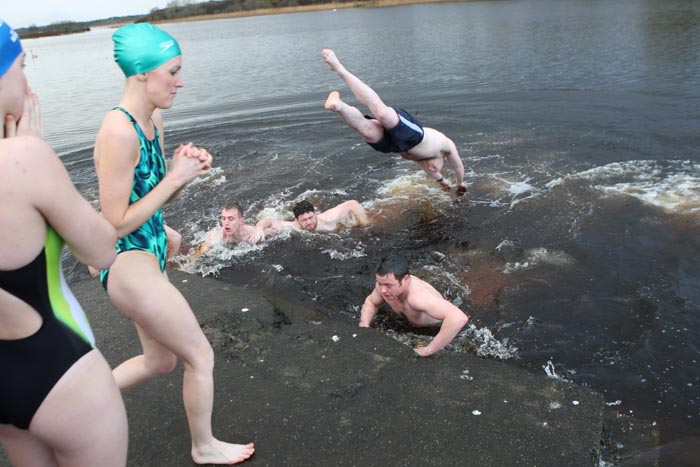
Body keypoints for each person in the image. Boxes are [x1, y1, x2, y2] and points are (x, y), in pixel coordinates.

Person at [93, 23, 254, 465]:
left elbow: (152, 196)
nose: (181, 82)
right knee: (200, 355)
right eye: (173, 71)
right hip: (129, 259)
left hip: (152, 249)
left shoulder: (153, 120)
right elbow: (114, 223)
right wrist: (174, 177)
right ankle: (203, 447)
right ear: (143, 72)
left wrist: (185, 174)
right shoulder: (118, 130)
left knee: (159, 361)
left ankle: (70, 402)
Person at [0, 20, 128, 466]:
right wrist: (33, 153)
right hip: (60, 369)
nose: (26, 79)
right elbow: (102, 249)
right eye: (20, 64)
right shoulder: (23, 158)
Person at [322, 48, 467, 193]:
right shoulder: (447, 146)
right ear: (443, 159)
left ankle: (338, 106)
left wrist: (441, 180)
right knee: (381, 112)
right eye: (435, 167)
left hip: (396, 146)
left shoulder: (425, 162)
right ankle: (339, 68)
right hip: (416, 136)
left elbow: (432, 171)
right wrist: (460, 183)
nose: (432, 168)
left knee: (367, 131)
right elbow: (459, 166)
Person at [359, 253, 469, 357]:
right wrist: (364, 325)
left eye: (388, 285)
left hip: (434, 329)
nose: (382, 290)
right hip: (409, 323)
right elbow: (371, 303)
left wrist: (429, 349)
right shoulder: (383, 287)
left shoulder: (419, 297)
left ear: (406, 279)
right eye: (379, 283)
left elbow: (458, 318)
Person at [196, 201, 267, 255]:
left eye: (230, 219)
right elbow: (200, 253)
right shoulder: (216, 235)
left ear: (241, 221)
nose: (226, 223)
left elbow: (273, 223)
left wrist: (260, 227)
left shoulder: (253, 233)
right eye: (223, 219)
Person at [260, 199, 370, 233]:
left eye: (310, 218)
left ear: (315, 214)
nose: (308, 222)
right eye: (303, 220)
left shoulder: (329, 218)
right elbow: (268, 221)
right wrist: (258, 229)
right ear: (297, 220)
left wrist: (365, 224)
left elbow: (352, 203)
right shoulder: (294, 227)